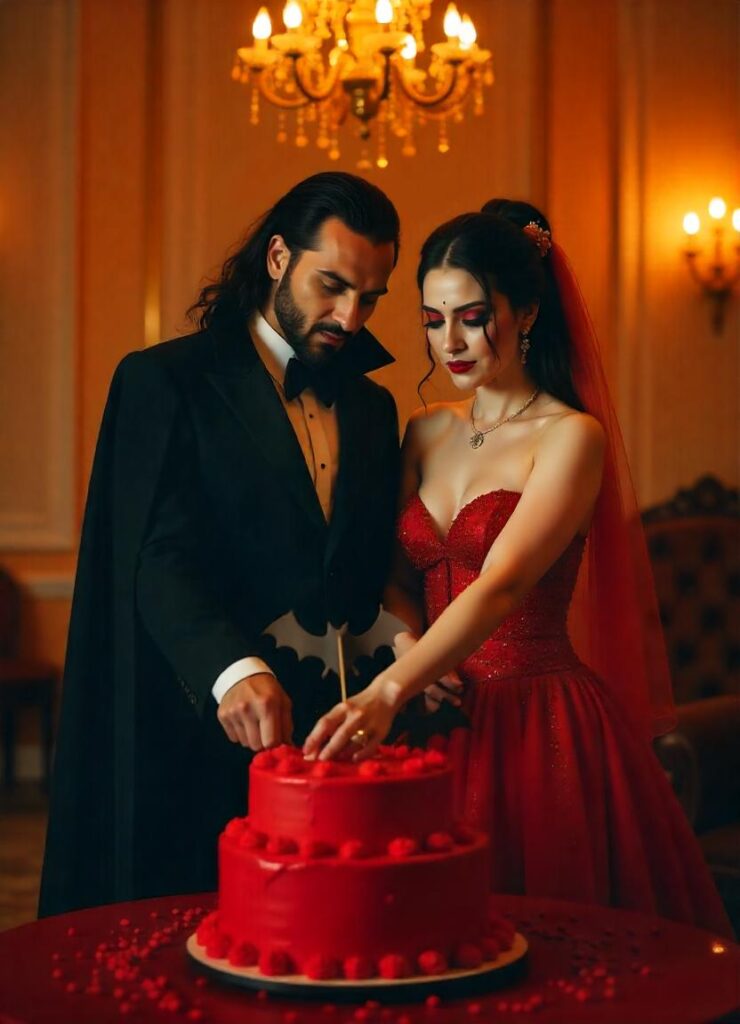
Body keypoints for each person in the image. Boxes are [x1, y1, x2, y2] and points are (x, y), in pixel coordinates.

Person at [304, 201, 732, 937]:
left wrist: (385, 691)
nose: (451, 343)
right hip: (433, 713)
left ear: (527, 311)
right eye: (434, 321)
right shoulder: (426, 429)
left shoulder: (572, 437)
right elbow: (397, 579)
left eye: (472, 316)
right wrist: (411, 650)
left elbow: (500, 584)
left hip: (539, 720)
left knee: (546, 947)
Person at [39, 172, 402, 916]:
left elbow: (363, 567)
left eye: (370, 297)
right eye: (331, 285)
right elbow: (151, 557)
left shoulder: (372, 404)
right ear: (277, 258)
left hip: (326, 746)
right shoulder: (162, 380)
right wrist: (230, 669)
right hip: (190, 728)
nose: (350, 315)